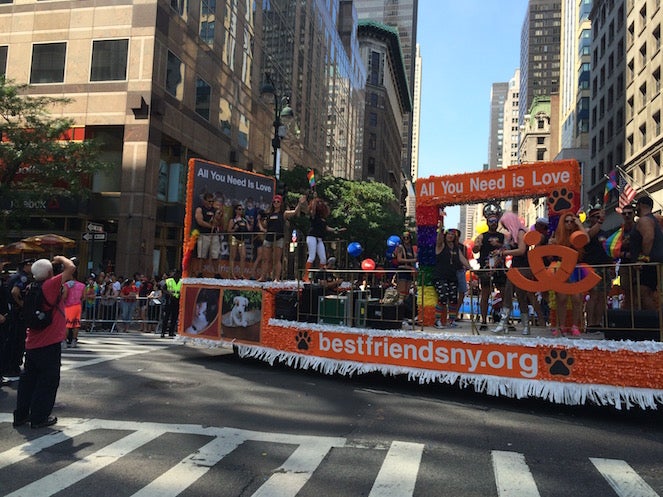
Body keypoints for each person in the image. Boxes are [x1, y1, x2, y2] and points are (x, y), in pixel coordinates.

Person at [13, 255, 76, 429]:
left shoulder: (31, 286)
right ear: (49, 272)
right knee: (47, 381)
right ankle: (39, 417)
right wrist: (61, 258)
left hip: (32, 342)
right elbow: (71, 268)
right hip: (49, 343)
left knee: (28, 381)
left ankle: (21, 415)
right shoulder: (50, 285)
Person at [492, 212, 534, 335]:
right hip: (517, 267)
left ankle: (504, 323)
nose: (505, 228)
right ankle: (524, 326)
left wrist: (504, 253)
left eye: (505, 225)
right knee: (518, 296)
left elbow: (521, 250)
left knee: (511, 293)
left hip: (522, 268)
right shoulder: (515, 234)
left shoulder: (521, 232)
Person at [549, 210, 588, 336]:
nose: (569, 223)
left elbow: (586, 239)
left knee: (577, 298)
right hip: (561, 267)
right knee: (562, 298)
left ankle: (575, 326)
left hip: (575, 268)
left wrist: (579, 223)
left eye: (572, 221)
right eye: (567, 221)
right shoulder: (558, 236)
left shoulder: (578, 234)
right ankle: (561, 325)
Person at [261, 194, 306, 281]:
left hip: (279, 237)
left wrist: (300, 204)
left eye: (278, 202)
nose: (276, 203)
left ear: (281, 203)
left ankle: (277, 278)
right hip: (269, 237)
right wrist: (261, 221)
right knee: (265, 259)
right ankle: (263, 276)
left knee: (277, 259)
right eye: (274, 202)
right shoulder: (269, 213)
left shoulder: (283, 213)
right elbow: (265, 225)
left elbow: (294, 212)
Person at [472, 215, 506, 331]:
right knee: (485, 294)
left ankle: (506, 321)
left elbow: (508, 248)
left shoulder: (502, 236)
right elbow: (475, 249)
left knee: (505, 294)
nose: (493, 223)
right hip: (486, 268)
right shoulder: (482, 236)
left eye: (495, 221)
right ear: (487, 223)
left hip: (500, 268)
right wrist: (477, 246)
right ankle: (484, 321)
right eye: (491, 221)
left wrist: (499, 245)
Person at [629, 195, 663, 310]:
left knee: (644, 293)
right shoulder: (651, 220)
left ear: (641, 205)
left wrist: (643, 259)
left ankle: (654, 323)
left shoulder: (645, 220)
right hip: (652, 263)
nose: (636, 209)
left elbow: (649, 238)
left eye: (636, 206)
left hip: (649, 264)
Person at [583, 205, 614, 328]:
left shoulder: (605, 233)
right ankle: (590, 323)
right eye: (595, 217)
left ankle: (597, 322)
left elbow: (609, 250)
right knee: (594, 295)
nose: (598, 219)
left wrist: (611, 266)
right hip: (592, 267)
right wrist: (600, 222)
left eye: (599, 217)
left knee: (603, 296)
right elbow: (588, 236)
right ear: (590, 219)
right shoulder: (585, 231)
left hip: (604, 267)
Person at [433, 225, 470, 329]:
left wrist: (471, 268)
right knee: (443, 297)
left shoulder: (457, 248)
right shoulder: (440, 245)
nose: (450, 236)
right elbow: (439, 239)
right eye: (449, 234)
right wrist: (440, 229)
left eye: (453, 235)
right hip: (440, 276)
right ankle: (437, 320)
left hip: (452, 277)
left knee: (453, 299)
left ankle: (452, 321)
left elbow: (463, 260)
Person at [4, 259, 34, 380]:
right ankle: (13, 366)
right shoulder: (23, 278)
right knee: (18, 341)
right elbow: (15, 292)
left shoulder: (13, 276)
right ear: (26, 266)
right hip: (18, 314)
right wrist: (22, 304)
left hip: (11, 313)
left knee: (10, 340)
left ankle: (8, 366)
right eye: (31, 264)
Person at [303, 196, 346, 282]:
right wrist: (314, 199)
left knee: (323, 259)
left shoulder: (323, 219)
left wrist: (337, 230)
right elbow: (313, 210)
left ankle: (320, 276)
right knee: (311, 256)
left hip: (319, 239)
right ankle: (306, 276)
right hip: (312, 237)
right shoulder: (314, 216)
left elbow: (326, 228)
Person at [63, 270, 85, 347]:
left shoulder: (66, 285)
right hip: (77, 306)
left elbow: (65, 296)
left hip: (68, 306)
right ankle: (74, 341)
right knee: (76, 324)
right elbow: (83, 297)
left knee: (67, 325)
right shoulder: (82, 285)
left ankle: (64, 341)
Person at [227, 203, 250, 279]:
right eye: (239, 209)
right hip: (234, 238)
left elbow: (249, 229)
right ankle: (232, 274)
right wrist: (234, 229)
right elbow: (229, 230)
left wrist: (250, 223)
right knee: (233, 256)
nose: (241, 211)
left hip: (242, 239)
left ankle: (241, 274)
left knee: (243, 256)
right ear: (236, 210)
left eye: (242, 209)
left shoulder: (244, 220)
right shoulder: (233, 220)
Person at [395, 231, 417, 302]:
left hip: (410, 271)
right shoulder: (400, 247)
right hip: (403, 270)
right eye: (404, 238)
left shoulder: (412, 248)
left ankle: (404, 309)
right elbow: (399, 259)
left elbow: (416, 257)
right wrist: (413, 260)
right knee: (402, 292)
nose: (406, 239)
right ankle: (399, 308)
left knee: (407, 292)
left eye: (407, 238)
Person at [193, 192, 216, 258]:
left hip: (213, 235)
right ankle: (200, 268)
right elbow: (200, 221)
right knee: (201, 256)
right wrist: (211, 226)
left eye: (212, 201)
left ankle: (215, 268)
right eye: (209, 201)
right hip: (203, 235)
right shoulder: (200, 209)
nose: (211, 203)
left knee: (215, 256)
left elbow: (219, 221)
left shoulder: (215, 210)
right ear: (204, 201)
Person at [162, 269, 182, 337]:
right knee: (166, 317)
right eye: (174, 273)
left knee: (174, 318)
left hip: (177, 301)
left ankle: (171, 332)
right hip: (169, 300)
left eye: (176, 273)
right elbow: (163, 289)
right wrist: (168, 293)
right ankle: (163, 332)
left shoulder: (182, 282)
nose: (175, 274)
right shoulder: (168, 281)